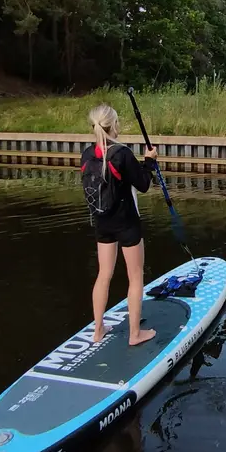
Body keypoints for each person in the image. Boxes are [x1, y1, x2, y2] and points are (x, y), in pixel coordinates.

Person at [81, 104, 158, 347]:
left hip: (101, 222)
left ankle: (98, 329)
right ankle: (135, 334)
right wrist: (149, 161)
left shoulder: (87, 154)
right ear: (114, 125)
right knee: (135, 277)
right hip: (126, 223)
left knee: (104, 274)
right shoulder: (122, 153)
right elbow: (144, 184)